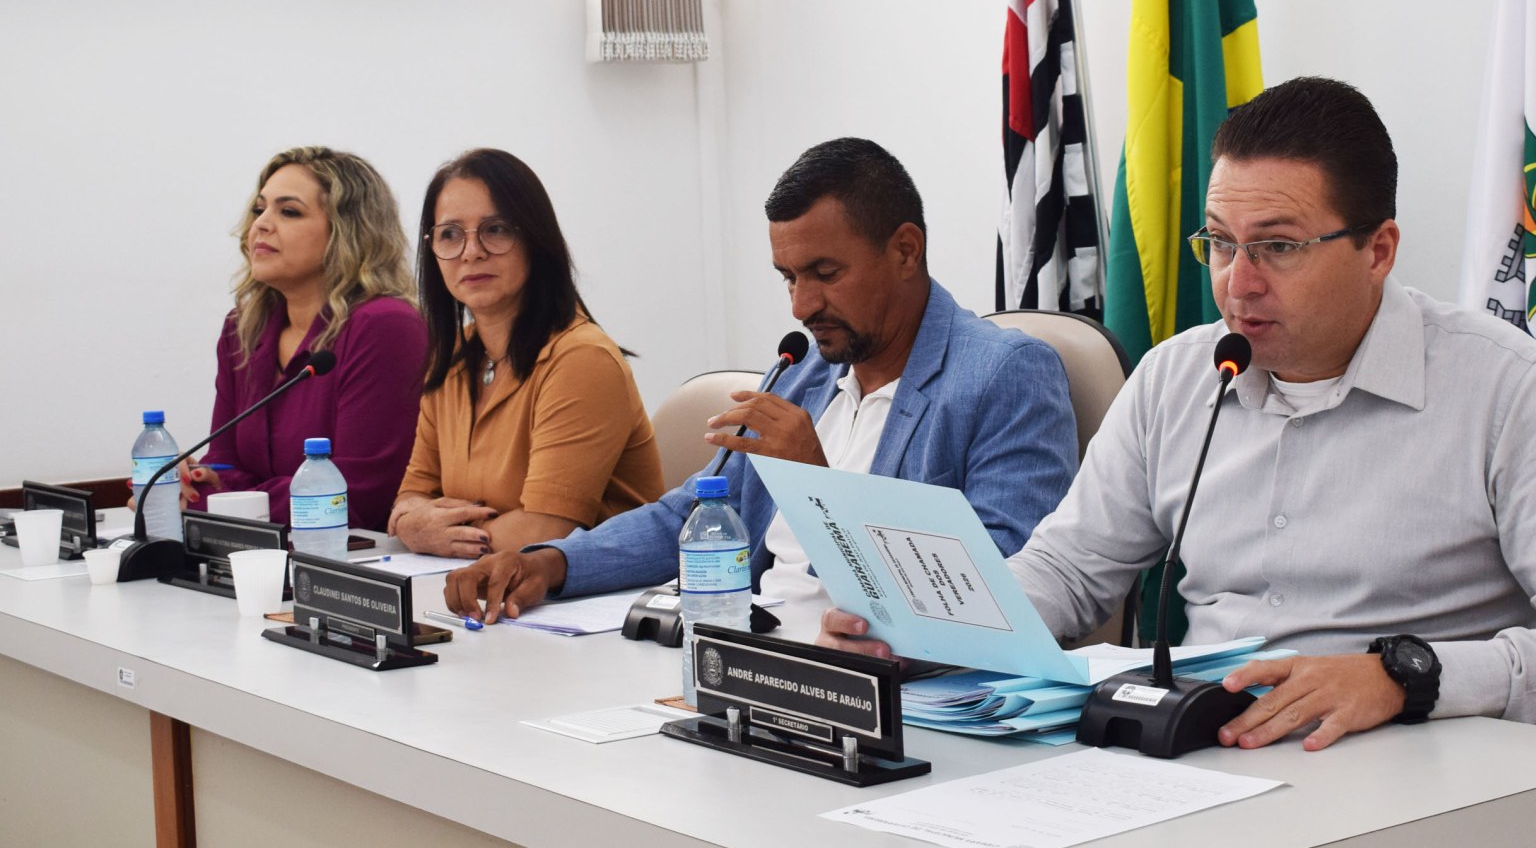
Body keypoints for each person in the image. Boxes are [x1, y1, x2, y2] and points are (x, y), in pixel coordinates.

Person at [821, 78, 1536, 749]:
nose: (1238, 282)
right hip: (1198, 757)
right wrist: (928, 627)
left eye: (1277, 247)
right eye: (1220, 243)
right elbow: (1070, 571)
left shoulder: (1510, 393)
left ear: (1378, 250)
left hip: (1408, 779)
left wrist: (1404, 677)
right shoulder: (1178, 377)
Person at [443, 137, 1080, 623]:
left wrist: (818, 487)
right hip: (752, 655)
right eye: (788, 278)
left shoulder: (1004, 375)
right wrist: (551, 564)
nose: (801, 306)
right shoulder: (807, 373)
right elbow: (692, 516)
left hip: (889, 687)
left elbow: (1000, 584)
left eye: (825, 274)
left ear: (905, 250)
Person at [388, 148, 663, 559]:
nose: (471, 251)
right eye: (450, 234)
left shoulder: (582, 360)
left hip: (593, 590)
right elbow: (410, 499)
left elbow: (545, 531)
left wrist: (430, 531)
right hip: (479, 581)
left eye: (496, 229)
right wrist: (412, 523)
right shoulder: (455, 355)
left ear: (535, 238)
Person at [190, 147, 426, 529]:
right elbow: (222, 463)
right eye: (259, 209)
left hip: (356, 555)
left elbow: (353, 496)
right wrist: (196, 486)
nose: (261, 225)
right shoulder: (242, 329)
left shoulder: (385, 327)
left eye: (289, 211)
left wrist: (217, 500)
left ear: (347, 232)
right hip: (259, 551)